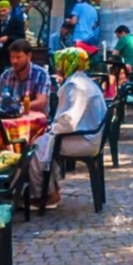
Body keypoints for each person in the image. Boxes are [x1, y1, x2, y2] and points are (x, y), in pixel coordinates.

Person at [30, 47, 108, 205]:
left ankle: (41, 195)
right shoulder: (85, 81)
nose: (57, 68)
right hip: (91, 136)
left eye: (60, 64)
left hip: (84, 139)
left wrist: (52, 130)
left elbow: (68, 120)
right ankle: (51, 190)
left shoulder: (75, 86)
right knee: (44, 143)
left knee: (34, 148)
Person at [0, 39, 51, 115]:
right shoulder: (6, 76)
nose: (14, 61)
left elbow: (41, 102)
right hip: (11, 118)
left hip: (35, 119)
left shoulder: (41, 74)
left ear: (29, 56)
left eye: (18, 57)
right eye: (12, 57)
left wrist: (17, 107)